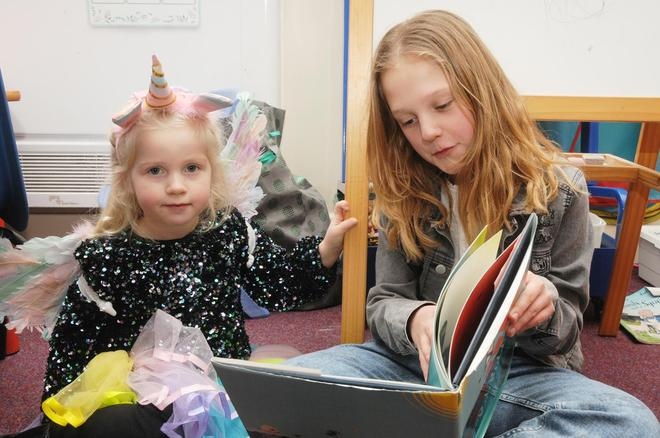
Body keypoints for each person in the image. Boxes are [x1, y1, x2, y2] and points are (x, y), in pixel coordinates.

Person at [286, 10, 659, 437]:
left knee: (629, 423)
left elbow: (567, 330)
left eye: (442, 105)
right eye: (407, 121)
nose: (428, 131)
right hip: (412, 367)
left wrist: (543, 307)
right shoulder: (402, 192)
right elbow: (385, 300)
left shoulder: (561, 189)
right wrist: (416, 319)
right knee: (277, 389)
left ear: (482, 89)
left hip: (517, 373)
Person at [2, 55, 356, 437]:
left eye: (191, 168)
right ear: (128, 180)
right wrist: (61, 418)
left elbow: (276, 282)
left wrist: (325, 249)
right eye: (155, 171)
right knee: (113, 426)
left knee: (297, 413)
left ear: (211, 172)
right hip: (141, 396)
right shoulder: (108, 256)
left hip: (218, 389)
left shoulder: (227, 231)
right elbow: (73, 344)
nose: (176, 186)